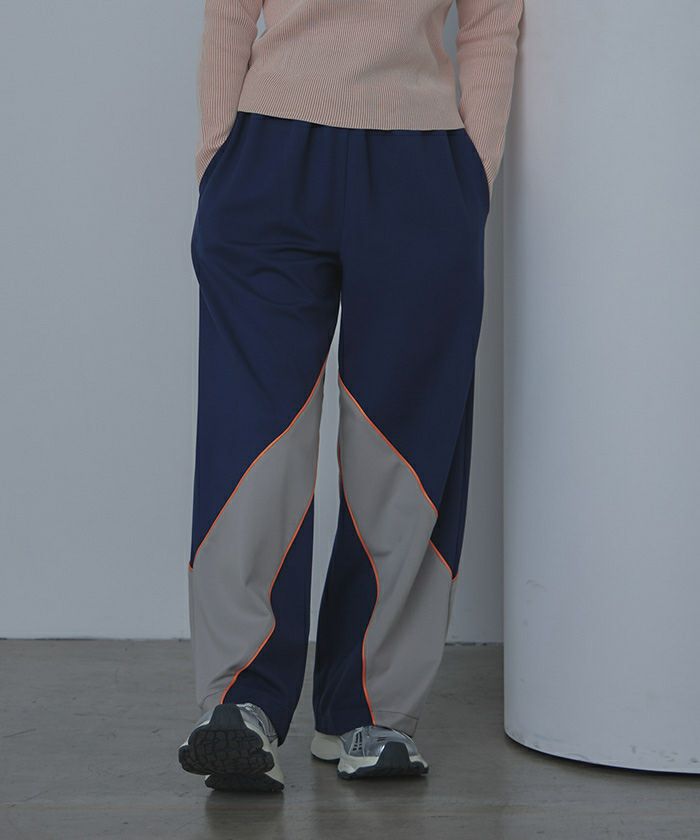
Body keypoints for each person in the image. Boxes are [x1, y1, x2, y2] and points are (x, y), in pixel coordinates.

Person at [179, 0, 523, 792]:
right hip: (268, 153)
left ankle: (372, 709)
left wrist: (473, 169)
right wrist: (216, 153)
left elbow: (492, 17)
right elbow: (229, 10)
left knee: (405, 443)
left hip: (422, 163)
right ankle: (239, 701)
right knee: (253, 437)